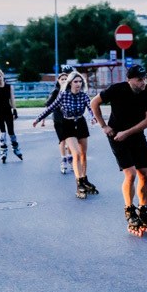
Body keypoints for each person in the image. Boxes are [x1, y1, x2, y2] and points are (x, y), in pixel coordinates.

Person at [90, 65, 147, 235]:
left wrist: (128, 133)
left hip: (135, 135)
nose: (143, 82)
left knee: (144, 172)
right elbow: (94, 103)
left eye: (145, 79)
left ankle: (143, 209)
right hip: (116, 136)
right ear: (129, 80)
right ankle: (129, 209)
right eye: (139, 80)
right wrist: (103, 126)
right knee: (131, 174)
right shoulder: (117, 90)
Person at [33, 71, 98, 199]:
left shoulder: (84, 96)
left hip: (80, 124)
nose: (78, 84)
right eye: (76, 82)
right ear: (70, 83)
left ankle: (84, 179)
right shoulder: (63, 95)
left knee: (84, 154)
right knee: (76, 153)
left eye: (80, 82)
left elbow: (91, 109)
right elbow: (51, 108)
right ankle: (79, 183)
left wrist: (93, 118)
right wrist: (38, 119)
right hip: (67, 125)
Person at [0, 69, 22, 163]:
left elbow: (12, 99)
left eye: (0, 76)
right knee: (2, 131)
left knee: (11, 131)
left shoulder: (9, 87)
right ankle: (3, 151)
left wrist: (15, 110)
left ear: (3, 76)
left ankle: (16, 148)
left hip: (7, 109)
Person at [43, 71, 72, 174]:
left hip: (69, 120)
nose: (64, 81)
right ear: (58, 81)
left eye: (66, 79)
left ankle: (70, 158)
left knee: (70, 141)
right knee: (62, 141)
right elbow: (49, 105)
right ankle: (63, 161)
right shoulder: (56, 92)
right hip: (58, 120)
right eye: (62, 79)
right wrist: (43, 119)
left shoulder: (70, 91)